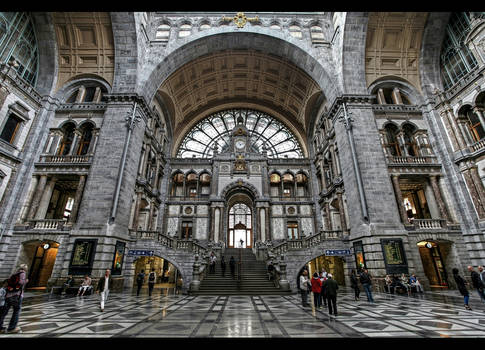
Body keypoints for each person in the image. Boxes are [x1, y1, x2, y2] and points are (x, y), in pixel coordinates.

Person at [0, 264, 28, 334]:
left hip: (8, 295)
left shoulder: (14, 274)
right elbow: (21, 283)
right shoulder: (23, 273)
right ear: (25, 269)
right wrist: (26, 281)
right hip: (16, 295)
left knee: (4, 312)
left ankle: (0, 328)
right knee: (16, 311)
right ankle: (11, 328)